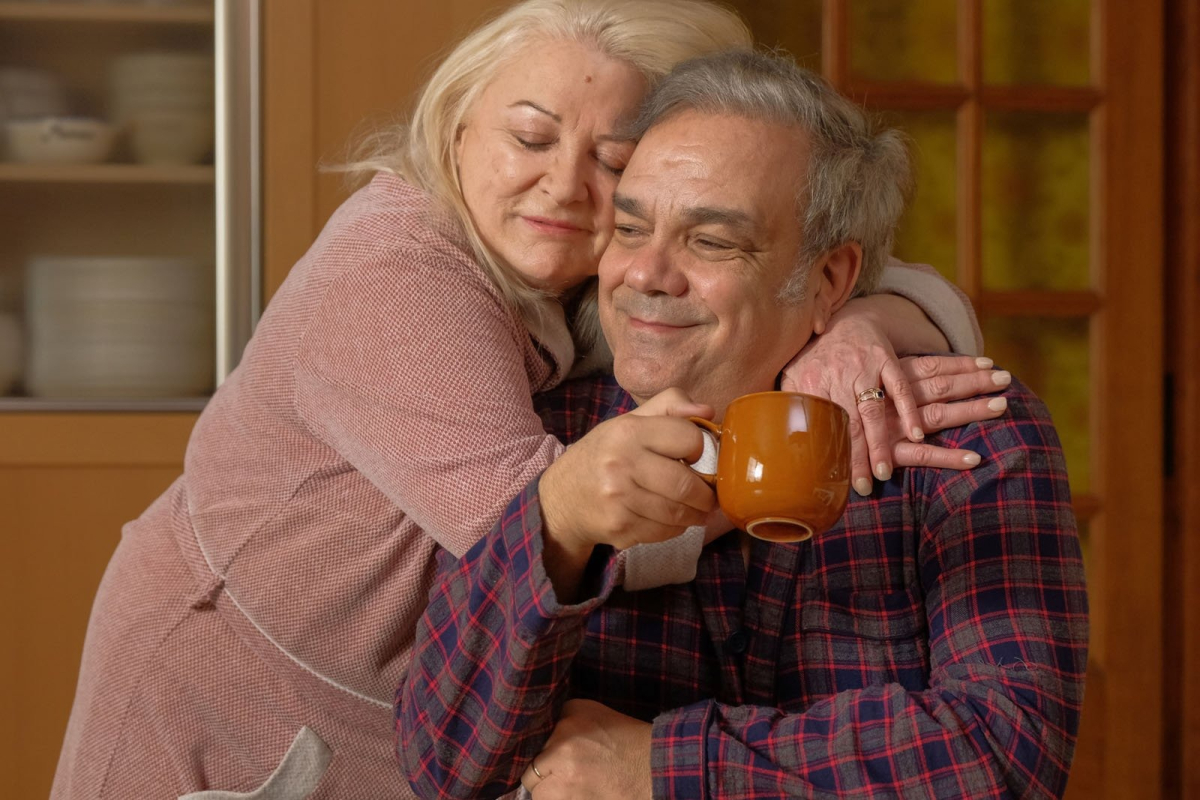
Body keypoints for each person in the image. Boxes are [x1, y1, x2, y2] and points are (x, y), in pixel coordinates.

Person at [52, 3, 989, 799]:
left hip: (410, 715)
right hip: (235, 678)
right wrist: (793, 443)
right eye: (530, 137)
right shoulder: (395, 270)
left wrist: (873, 320)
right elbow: (549, 520)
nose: (563, 184)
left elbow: (817, 258)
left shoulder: (590, 266)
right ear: (457, 127)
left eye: (614, 158)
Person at [399, 49, 1088, 800]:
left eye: (710, 241)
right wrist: (555, 522)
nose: (646, 275)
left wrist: (660, 768)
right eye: (630, 231)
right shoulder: (543, 432)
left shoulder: (965, 434)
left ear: (829, 280)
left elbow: (1001, 758)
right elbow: (443, 766)